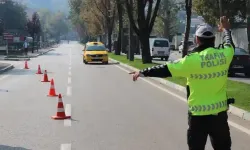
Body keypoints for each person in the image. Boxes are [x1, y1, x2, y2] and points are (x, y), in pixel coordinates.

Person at [130, 16, 235, 150]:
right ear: (214, 40)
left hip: (198, 118)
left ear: (197, 40)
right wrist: (226, 29)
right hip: (219, 117)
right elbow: (229, 43)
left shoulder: (191, 61)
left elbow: (165, 69)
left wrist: (143, 72)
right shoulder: (224, 55)